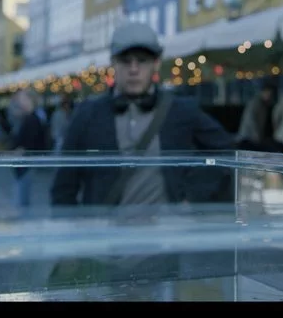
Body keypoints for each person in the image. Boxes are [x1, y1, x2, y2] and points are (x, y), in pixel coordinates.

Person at [49, 22, 237, 293]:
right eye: (126, 61)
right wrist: (68, 243)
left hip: (160, 249)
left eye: (142, 60)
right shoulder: (88, 113)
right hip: (101, 251)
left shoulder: (179, 110)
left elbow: (224, 148)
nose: (134, 68)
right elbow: (63, 186)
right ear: (114, 63)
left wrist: (190, 197)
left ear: (156, 64)